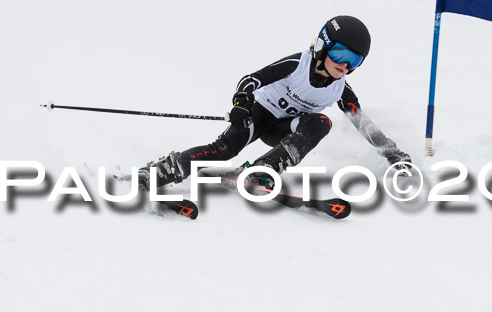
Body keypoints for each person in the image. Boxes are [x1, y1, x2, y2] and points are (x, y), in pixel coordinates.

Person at [139, 15, 411, 190]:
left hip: (286, 131)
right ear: (324, 46)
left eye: (355, 61)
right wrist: (241, 105)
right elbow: (251, 80)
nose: (345, 66)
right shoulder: (297, 64)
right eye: (341, 54)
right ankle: (164, 169)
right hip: (258, 115)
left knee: (321, 122)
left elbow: (363, 123)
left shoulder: (341, 90)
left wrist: (394, 155)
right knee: (224, 149)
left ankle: (264, 168)